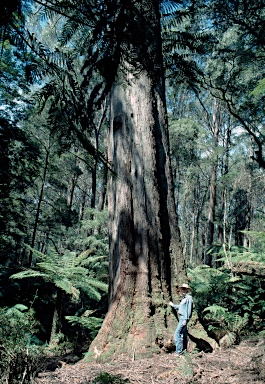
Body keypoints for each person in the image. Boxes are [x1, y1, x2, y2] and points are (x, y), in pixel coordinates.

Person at [169, 283, 193, 355]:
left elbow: (188, 310)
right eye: (182, 289)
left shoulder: (189, 298)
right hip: (182, 317)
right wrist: (173, 305)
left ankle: (178, 351)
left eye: (184, 289)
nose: (183, 290)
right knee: (184, 334)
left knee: (177, 333)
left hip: (184, 318)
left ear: (187, 290)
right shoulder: (184, 298)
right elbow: (181, 307)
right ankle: (184, 350)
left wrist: (185, 320)